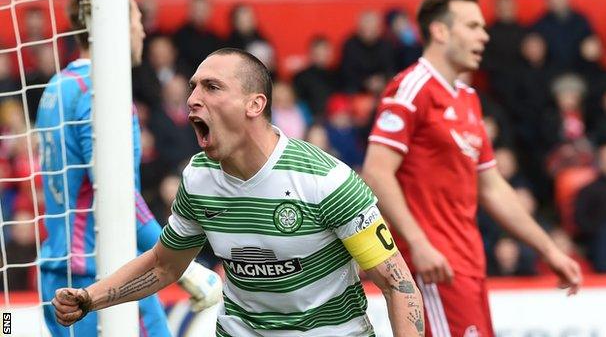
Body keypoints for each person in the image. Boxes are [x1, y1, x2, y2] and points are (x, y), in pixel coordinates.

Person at [51, 48, 426, 337]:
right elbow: (165, 265)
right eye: (193, 87)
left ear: (255, 104)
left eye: (212, 87)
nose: (193, 98)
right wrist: (90, 299)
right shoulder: (198, 178)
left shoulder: (326, 181)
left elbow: (398, 284)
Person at [361, 0, 582, 336]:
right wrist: (419, 243)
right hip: (435, 267)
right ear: (440, 31)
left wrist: (548, 249)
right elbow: (375, 172)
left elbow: (492, 186)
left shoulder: (469, 99)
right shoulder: (412, 87)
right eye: (473, 26)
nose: (485, 34)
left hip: (470, 265)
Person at [36, 0, 221, 337]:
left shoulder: (57, 87)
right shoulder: (103, 93)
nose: (143, 32)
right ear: (115, 26)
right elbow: (120, 198)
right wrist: (185, 268)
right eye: (137, 22)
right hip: (104, 278)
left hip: (56, 271)